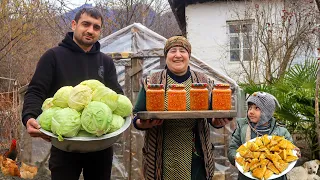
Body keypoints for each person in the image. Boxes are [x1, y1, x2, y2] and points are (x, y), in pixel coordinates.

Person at [21, 8, 123, 180]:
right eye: (86, 24)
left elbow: (117, 95)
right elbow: (36, 91)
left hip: (100, 144)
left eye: (96, 27)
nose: (91, 30)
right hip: (64, 143)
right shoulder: (53, 56)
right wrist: (29, 116)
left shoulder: (105, 61)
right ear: (74, 24)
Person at [132, 36, 233, 180]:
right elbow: (137, 117)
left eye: (182, 51)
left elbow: (213, 117)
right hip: (160, 153)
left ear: (189, 56)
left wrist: (218, 122)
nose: (178, 55)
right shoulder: (152, 82)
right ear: (166, 56)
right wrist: (142, 123)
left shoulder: (203, 82)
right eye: (173, 51)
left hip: (195, 154)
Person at [227, 91, 300, 180]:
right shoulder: (242, 128)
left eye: (256, 108)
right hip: (247, 177)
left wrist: (295, 152)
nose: (251, 112)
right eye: (249, 108)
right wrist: (236, 159)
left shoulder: (282, 132)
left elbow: (290, 151)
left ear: (267, 112)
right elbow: (232, 148)